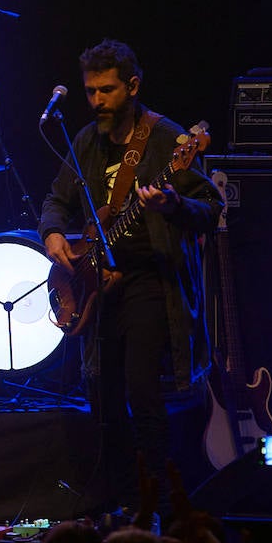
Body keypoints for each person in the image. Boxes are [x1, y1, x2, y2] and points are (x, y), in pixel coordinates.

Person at [39, 38, 221, 512]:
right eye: (91, 91)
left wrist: (174, 202)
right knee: (101, 393)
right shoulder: (85, 141)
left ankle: (156, 500)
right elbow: (56, 199)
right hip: (97, 280)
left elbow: (212, 209)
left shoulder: (167, 140)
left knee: (141, 389)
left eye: (108, 90)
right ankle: (118, 498)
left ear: (133, 86)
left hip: (147, 279)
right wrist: (53, 235)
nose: (97, 100)